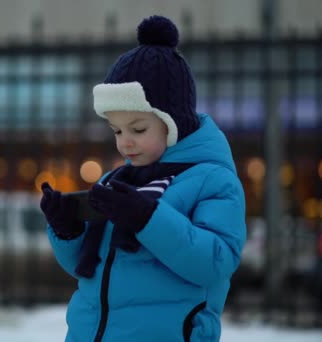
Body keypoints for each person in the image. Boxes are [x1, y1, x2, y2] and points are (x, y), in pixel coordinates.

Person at [39, 15, 246, 342]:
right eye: (117, 130)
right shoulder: (116, 180)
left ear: (173, 123)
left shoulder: (212, 181)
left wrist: (146, 217)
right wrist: (67, 230)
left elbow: (215, 262)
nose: (125, 142)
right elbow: (90, 268)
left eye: (137, 129)